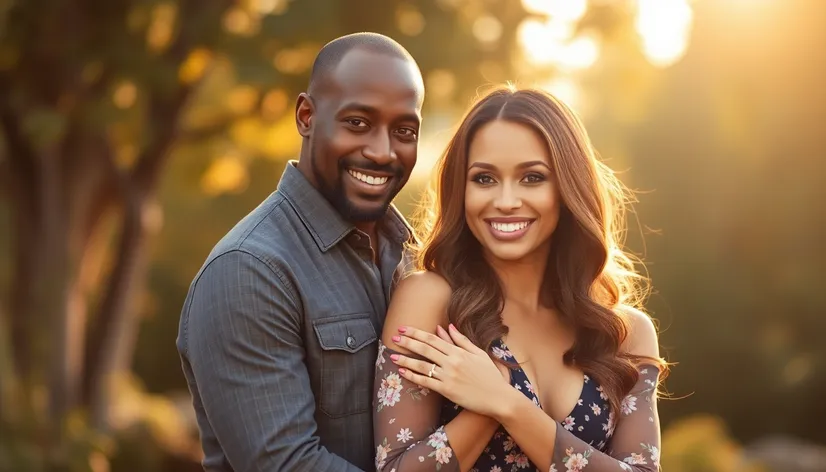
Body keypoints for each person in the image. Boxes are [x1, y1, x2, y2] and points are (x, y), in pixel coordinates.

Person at [372, 86, 668, 472]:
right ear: (461, 190)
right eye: (484, 179)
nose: (507, 200)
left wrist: (505, 402)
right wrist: (481, 414)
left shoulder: (626, 333)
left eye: (531, 178)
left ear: (567, 188)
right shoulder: (430, 302)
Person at [177, 32, 425, 471]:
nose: (382, 151)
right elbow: (289, 464)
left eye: (403, 130)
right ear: (307, 115)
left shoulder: (417, 258)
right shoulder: (248, 271)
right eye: (358, 123)